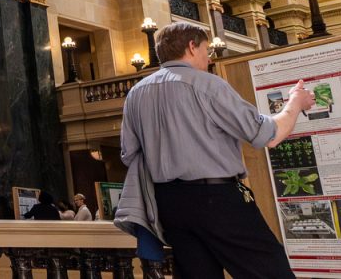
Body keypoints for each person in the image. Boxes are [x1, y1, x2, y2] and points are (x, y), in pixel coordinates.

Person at [120, 22, 313, 278]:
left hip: (169, 203)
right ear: (191, 46)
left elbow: (129, 153)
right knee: (269, 270)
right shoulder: (208, 85)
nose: (209, 58)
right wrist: (295, 103)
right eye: (206, 50)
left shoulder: (136, 93)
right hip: (217, 198)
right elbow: (269, 135)